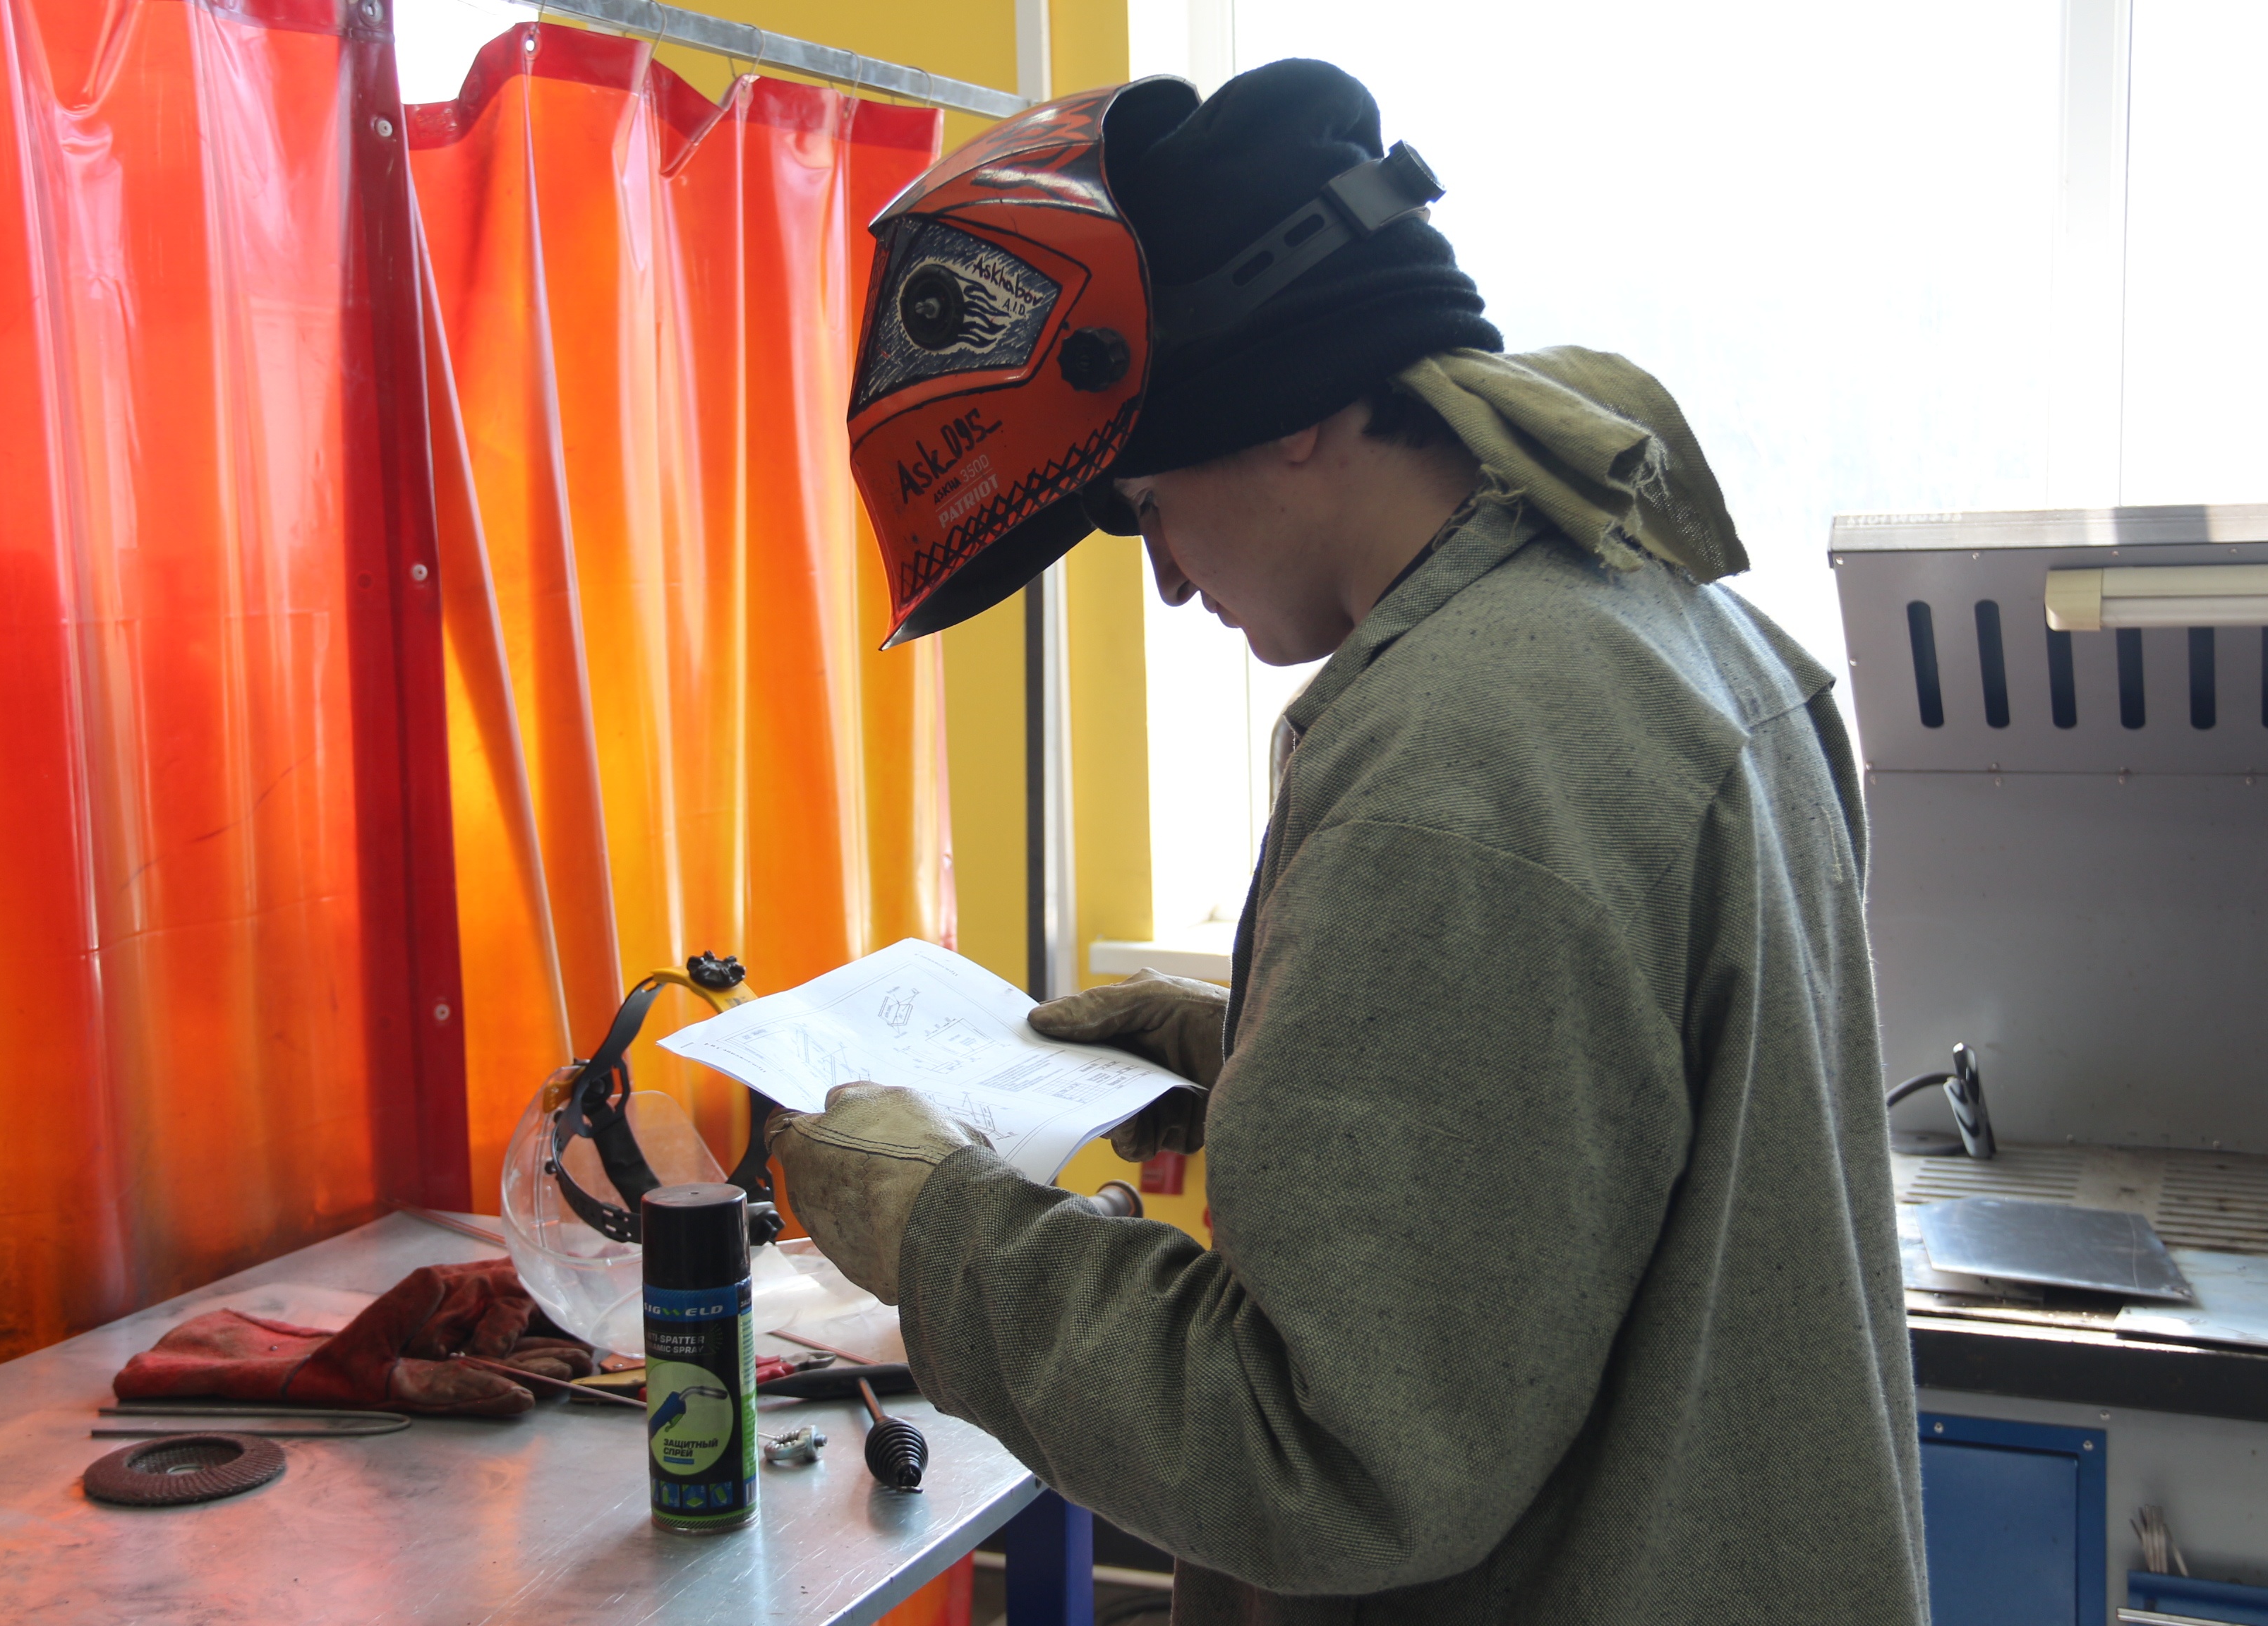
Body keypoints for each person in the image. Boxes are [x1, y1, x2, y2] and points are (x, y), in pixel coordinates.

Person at [773, 59, 1929, 1625]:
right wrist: (1273, 1057)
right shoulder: (1679, 635)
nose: (1163, 577)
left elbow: (1319, 1454)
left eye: (1144, 501)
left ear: (1301, 412)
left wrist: (939, 1231)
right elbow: (1595, 1108)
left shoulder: (1455, 759)